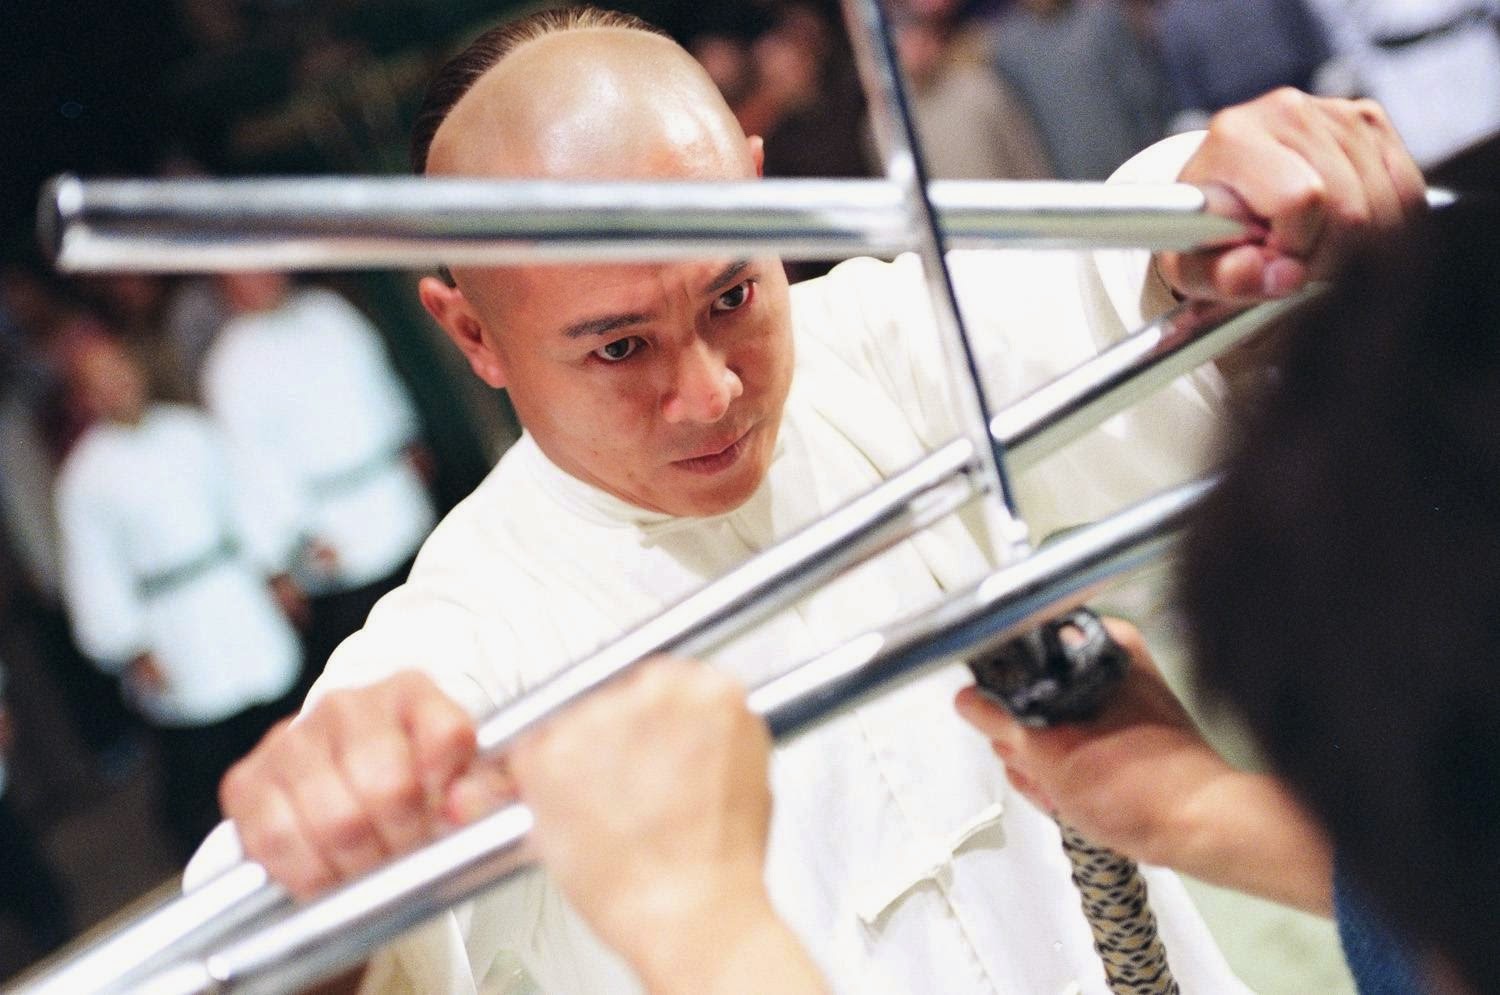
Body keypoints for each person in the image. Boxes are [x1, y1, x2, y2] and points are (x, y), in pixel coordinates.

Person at [200, 7, 1423, 994]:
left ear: (761, 189)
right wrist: (317, 849)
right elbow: (265, 931)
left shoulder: (876, 352)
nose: (711, 393)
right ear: (472, 332)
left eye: (732, 294)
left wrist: (1216, 207)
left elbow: (1106, 295)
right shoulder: (470, 631)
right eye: (619, 348)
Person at [55, 334, 306, 859]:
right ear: (85, 398)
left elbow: (244, 502)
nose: (116, 388)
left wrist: (276, 571)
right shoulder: (84, 477)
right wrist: (130, 645)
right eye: (100, 383)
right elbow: (95, 571)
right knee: (203, 750)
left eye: (120, 371)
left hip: (232, 595)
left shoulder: (189, 432)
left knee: (278, 716)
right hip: (172, 623)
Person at [201, 272, 437, 684]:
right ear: (226, 288)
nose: (261, 278)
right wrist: (297, 538)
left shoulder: (329, 313)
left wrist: (407, 437)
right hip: (334, 533)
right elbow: (250, 467)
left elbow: (377, 380)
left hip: (392, 494)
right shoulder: (231, 364)